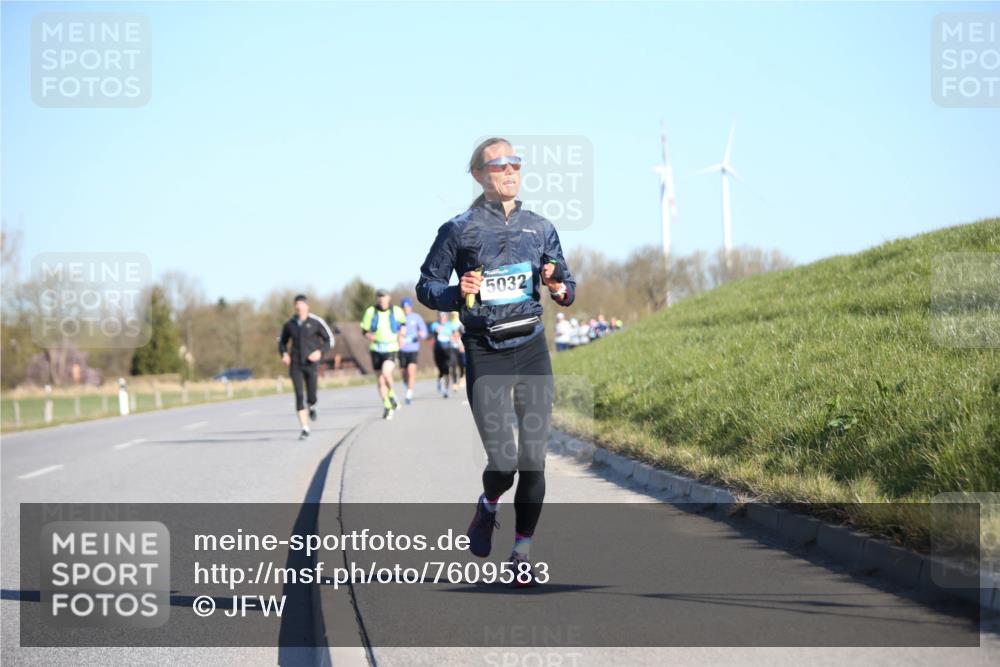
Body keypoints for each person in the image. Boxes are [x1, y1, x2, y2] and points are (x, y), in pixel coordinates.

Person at [417, 137, 575, 587]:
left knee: (534, 459)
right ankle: (488, 505)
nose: (510, 170)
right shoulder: (458, 230)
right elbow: (426, 287)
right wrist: (456, 289)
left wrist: (559, 285)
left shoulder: (540, 227)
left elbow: (566, 285)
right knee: (504, 463)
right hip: (485, 350)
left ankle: (522, 553)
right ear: (478, 175)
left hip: (531, 348)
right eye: (499, 164)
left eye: (515, 163)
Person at [278, 294, 334, 440]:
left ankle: (312, 405)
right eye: (296, 304)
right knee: (299, 395)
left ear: (307, 306)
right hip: (295, 363)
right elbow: (282, 342)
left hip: (311, 363)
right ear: (294, 307)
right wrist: (284, 354)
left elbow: (329, 340)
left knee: (311, 395)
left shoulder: (315, 322)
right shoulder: (289, 324)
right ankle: (305, 428)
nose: (299, 307)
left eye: (301, 304)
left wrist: (319, 352)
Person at [360, 290, 407, 420]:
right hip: (376, 348)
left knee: (386, 373)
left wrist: (402, 337)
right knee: (380, 380)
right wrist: (368, 335)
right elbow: (364, 329)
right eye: (379, 297)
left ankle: (391, 394)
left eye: (384, 296)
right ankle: (387, 405)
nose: (381, 299)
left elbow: (403, 324)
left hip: (391, 347)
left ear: (389, 298)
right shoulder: (371, 311)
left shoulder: (396, 311)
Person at [399, 298, 428, 404]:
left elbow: (424, 332)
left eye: (407, 307)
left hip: (413, 348)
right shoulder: (399, 319)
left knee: (411, 371)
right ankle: (408, 386)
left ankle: (409, 394)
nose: (406, 309)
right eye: (404, 307)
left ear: (411, 307)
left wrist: (421, 334)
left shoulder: (416, 317)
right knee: (403, 373)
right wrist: (398, 338)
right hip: (402, 349)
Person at [429, 311, 456, 397]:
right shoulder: (435, 324)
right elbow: (433, 330)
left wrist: (453, 336)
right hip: (438, 349)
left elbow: (455, 335)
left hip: (448, 349)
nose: (442, 318)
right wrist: (437, 330)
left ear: (446, 317)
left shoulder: (450, 325)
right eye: (440, 316)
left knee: (447, 368)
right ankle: (440, 381)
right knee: (440, 369)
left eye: (444, 316)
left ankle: (446, 390)